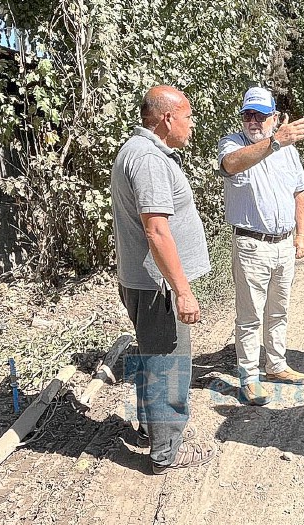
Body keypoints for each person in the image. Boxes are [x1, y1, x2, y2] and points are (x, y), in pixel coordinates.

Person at [111, 85, 217, 474]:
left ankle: (149, 430)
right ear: (168, 118)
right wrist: (183, 291)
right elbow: (156, 231)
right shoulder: (149, 160)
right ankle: (167, 452)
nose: (192, 124)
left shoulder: (137, 152)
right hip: (158, 286)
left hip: (144, 280)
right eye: (188, 116)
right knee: (168, 365)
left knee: (153, 357)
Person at [218, 87, 304, 406]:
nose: (254, 121)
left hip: (284, 244)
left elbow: (299, 192)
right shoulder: (232, 143)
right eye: (248, 114)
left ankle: (275, 365)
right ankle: (249, 377)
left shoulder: (288, 150)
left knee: (279, 311)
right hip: (251, 245)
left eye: (261, 115)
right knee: (250, 316)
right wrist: (274, 142)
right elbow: (231, 165)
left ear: (274, 117)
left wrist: (301, 235)